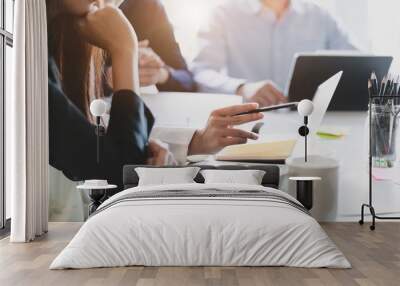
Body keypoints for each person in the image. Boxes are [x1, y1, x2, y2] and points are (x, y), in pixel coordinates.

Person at [47, 0, 263, 190]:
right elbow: (120, 168)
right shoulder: (35, 62)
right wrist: (125, 51)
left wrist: (196, 141)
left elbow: (97, 146)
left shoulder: (62, 27)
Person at [191, 0, 359, 107]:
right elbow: (202, 73)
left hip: (310, 124)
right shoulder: (222, 14)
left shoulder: (320, 16)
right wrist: (241, 88)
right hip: (249, 125)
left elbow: (358, 64)